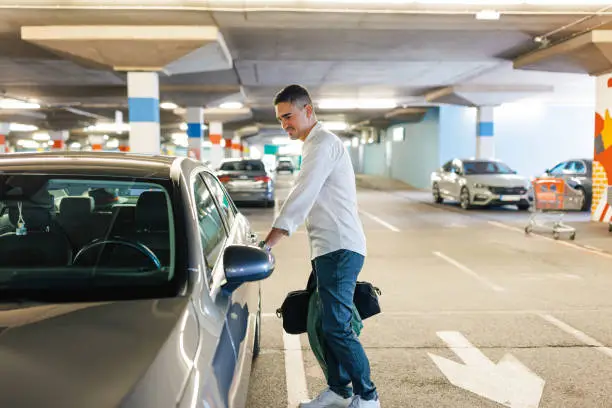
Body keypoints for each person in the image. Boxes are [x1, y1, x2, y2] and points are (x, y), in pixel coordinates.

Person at [261, 84, 380, 408]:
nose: (285, 123)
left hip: (340, 248)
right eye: (280, 119)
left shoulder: (322, 143)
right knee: (320, 323)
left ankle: (368, 396)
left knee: (337, 327)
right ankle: (340, 390)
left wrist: (271, 241)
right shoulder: (314, 144)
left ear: (308, 110)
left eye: (288, 116)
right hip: (327, 250)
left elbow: (304, 192)